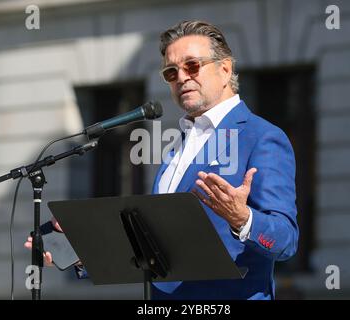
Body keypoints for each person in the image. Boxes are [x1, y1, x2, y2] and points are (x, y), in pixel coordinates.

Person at [25, 20, 298, 300]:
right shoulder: (177, 147)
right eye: (171, 72)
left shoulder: (262, 137)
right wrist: (84, 249)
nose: (181, 77)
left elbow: (286, 241)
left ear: (225, 69)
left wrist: (244, 219)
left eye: (192, 66)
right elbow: (158, 249)